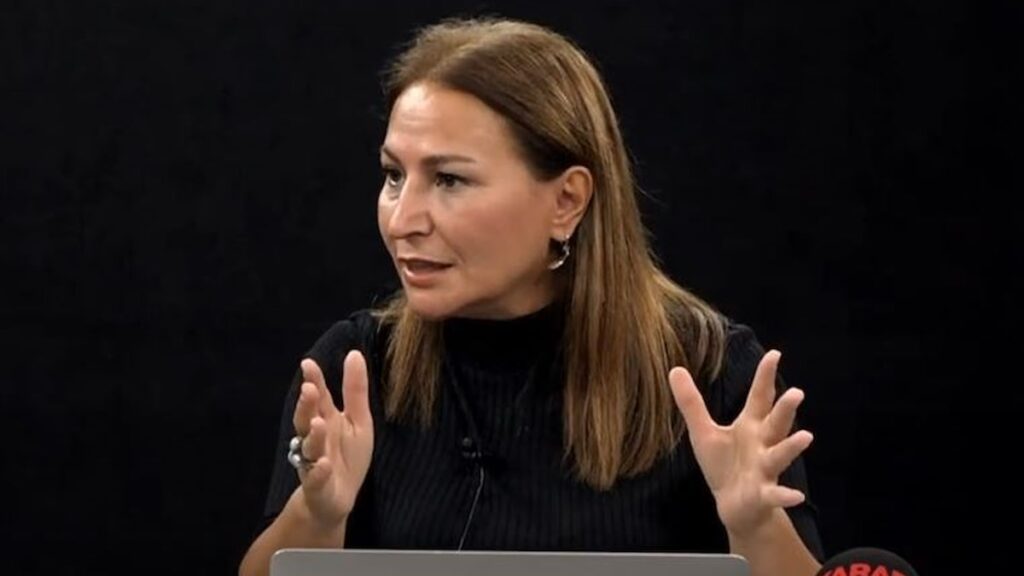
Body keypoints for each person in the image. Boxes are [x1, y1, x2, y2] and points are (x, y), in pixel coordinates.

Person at [239, 16, 825, 576]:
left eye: (448, 179)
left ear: (567, 201)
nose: (402, 220)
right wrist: (317, 516)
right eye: (394, 175)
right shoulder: (356, 370)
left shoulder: (709, 373)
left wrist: (756, 527)